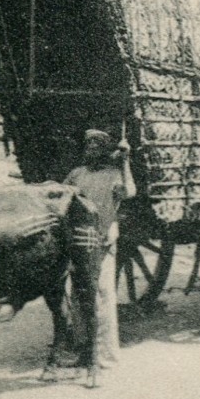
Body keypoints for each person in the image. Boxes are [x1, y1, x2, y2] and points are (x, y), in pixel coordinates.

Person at [63, 129, 130, 372]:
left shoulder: (114, 174)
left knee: (102, 294)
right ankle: (83, 351)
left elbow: (129, 193)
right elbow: (61, 198)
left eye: (97, 144)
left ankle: (106, 355)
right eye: (88, 144)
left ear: (105, 150)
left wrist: (126, 161)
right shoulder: (76, 174)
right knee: (78, 294)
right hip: (79, 240)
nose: (91, 147)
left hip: (102, 240)